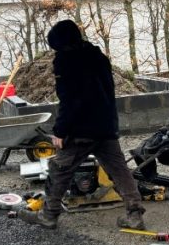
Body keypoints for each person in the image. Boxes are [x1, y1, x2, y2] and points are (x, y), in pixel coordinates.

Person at [19, 19, 146, 230]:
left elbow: (70, 100)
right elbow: (105, 92)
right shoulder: (98, 56)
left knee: (59, 169)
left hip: (81, 130)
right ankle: (135, 215)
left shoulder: (66, 60)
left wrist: (60, 130)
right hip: (105, 125)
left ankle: (48, 215)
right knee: (119, 170)